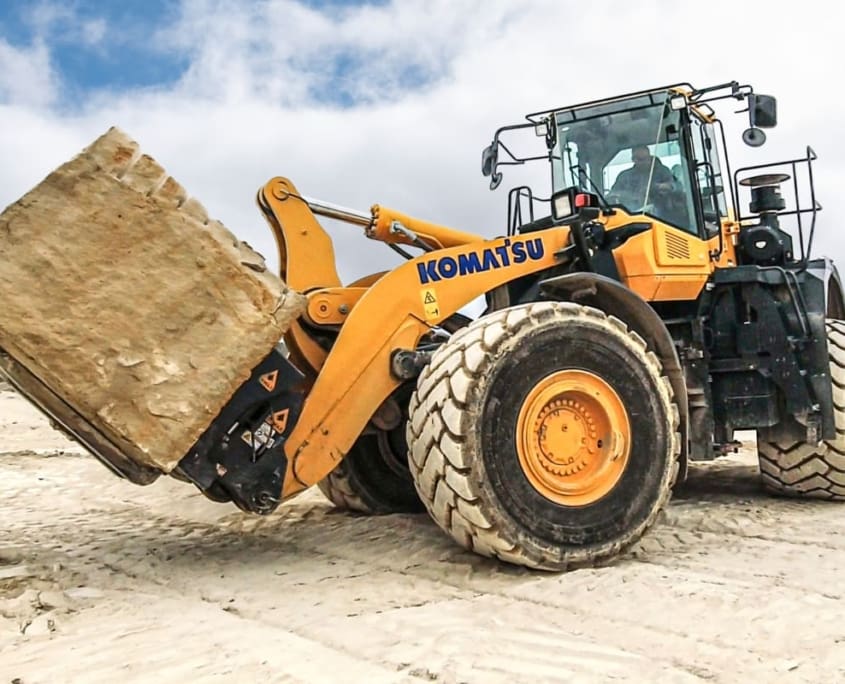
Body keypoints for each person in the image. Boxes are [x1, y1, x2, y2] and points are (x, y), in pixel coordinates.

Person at [610, 145, 676, 209]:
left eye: (642, 159)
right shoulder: (624, 176)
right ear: (633, 159)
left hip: (660, 213)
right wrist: (629, 197)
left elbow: (675, 187)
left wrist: (658, 187)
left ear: (649, 158)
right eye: (635, 159)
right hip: (631, 213)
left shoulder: (663, 171)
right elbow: (613, 194)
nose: (638, 162)